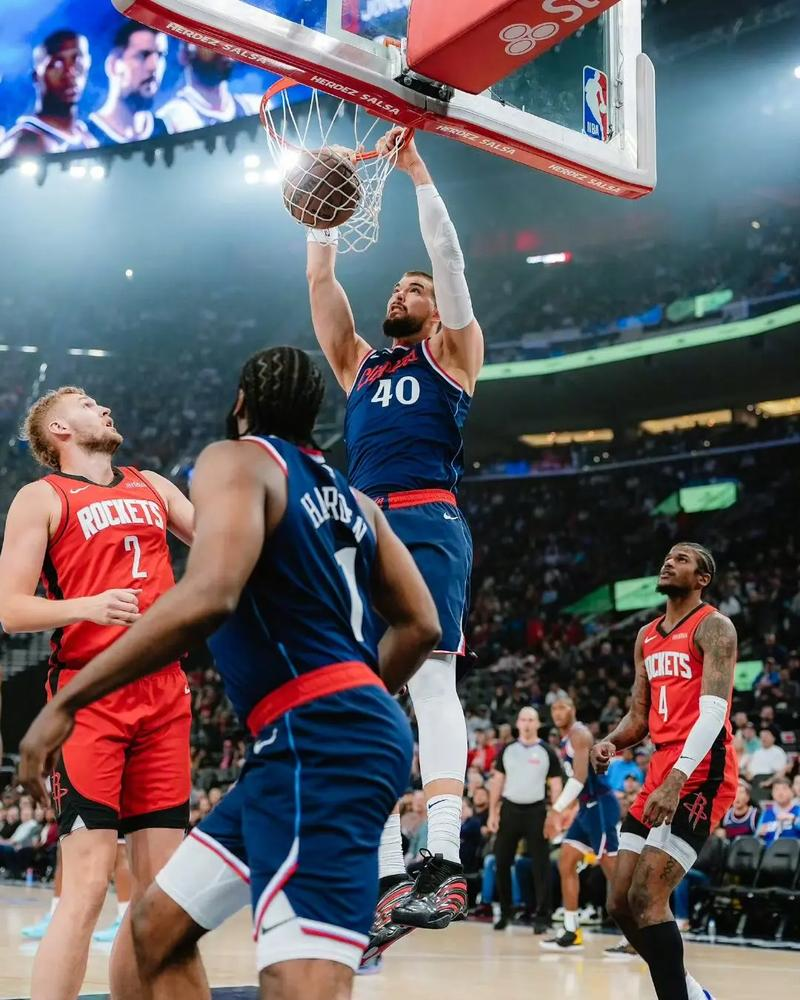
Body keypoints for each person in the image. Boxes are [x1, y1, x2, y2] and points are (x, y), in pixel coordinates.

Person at [19, 346, 441, 1000]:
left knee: (298, 978)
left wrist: (64, 703)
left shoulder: (221, 465)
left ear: (240, 406)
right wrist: (360, 694)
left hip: (272, 719)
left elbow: (214, 586)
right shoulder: (356, 499)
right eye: (85, 403)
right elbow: (423, 625)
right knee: (149, 927)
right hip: (294, 730)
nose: (101, 407)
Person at [306, 127, 483, 952]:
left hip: (426, 517)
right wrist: (320, 207)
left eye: (414, 288)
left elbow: (449, 259)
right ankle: (384, 876)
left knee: (432, 681)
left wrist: (415, 173)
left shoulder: (454, 352)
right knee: (363, 690)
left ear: (435, 310)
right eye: (398, 286)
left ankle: (443, 856)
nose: (403, 292)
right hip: (360, 525)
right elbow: (321, 279)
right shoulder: (358, 365)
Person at [0, 385, 194, 1000]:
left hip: (165, 692)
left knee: (159, 897)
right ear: (58, 429)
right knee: (84, 889)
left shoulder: (152, 485)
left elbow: (224, 543)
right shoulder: (42, 497)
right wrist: (86, 606)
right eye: (85, 404)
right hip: (90, 694)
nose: (103, 408)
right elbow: (10, 608)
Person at [591, 542, 737, 1000]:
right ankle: (691, 992)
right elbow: (639, 717)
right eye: (668, 557)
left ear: (702, 579)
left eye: (682, 559)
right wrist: (612, 741)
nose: (669, 562)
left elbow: (713, 713)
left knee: (647, 898)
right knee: (619, 903)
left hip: (701, 770)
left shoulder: (714, 627)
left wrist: (677, 779)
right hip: (660, 768)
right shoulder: (646, 635)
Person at [541, 696, 620, 951]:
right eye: (554, 708)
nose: (557, 712)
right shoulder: (566, 739)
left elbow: (579, 778)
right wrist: (570, 809)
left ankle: (638, 935)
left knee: (614, 873)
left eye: (563, 707)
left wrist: (556, 810)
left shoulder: (580, 734)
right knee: (566, 861)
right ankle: (571, 930)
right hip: (586, 807)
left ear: (573, 710)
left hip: (601, 807)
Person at [487, 707, 562, 934]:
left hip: (536, 810)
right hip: (510, 809)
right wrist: (492, 812)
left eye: (531, 720)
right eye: (523, 719)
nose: (527, 724)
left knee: (541, 865)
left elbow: (556, 785)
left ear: (537, 724)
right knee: (501, 861)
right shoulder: (508, 750)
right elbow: (497, 781)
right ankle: (506, 912)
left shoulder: (547, 751)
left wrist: (555, 814)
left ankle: (543, 916)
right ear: (517, 723)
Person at [0, 30, 98, 157]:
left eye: (77, 61)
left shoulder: (84, 134)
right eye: (56, 65)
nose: (70, 73)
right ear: (36, 76)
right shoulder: (25, 142)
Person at [87, 22, 170, 145]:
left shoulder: (165, 129)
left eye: (160, 55)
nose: (154, 66)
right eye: (143, 55)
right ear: (113, 65)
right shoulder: (88, 137)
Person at [157, 43, 261, 133]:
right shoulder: (171, 119)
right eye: (213, 41)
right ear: (186, 51)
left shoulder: (256, 107)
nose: (224, 47)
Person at [742, 726, 788, 800]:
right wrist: (748, 774)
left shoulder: (778, 751)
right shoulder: (757, 752)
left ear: (773, 738)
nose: (764, 739)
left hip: (769, 781)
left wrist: (769, 782)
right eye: (762, 736)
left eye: (766, 736)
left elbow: (781, 772)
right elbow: (749, 770)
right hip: (754, 781)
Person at [756, 777, 800, 845]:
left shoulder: (798, 810)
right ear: (772, 793)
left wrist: (793, 819)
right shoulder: (765, 813)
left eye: (784, 789)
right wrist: (759, 834)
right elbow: (756, 839)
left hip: (793, 850)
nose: (780, 793)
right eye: (776, 789)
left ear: (792, 792)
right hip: (769, 850)